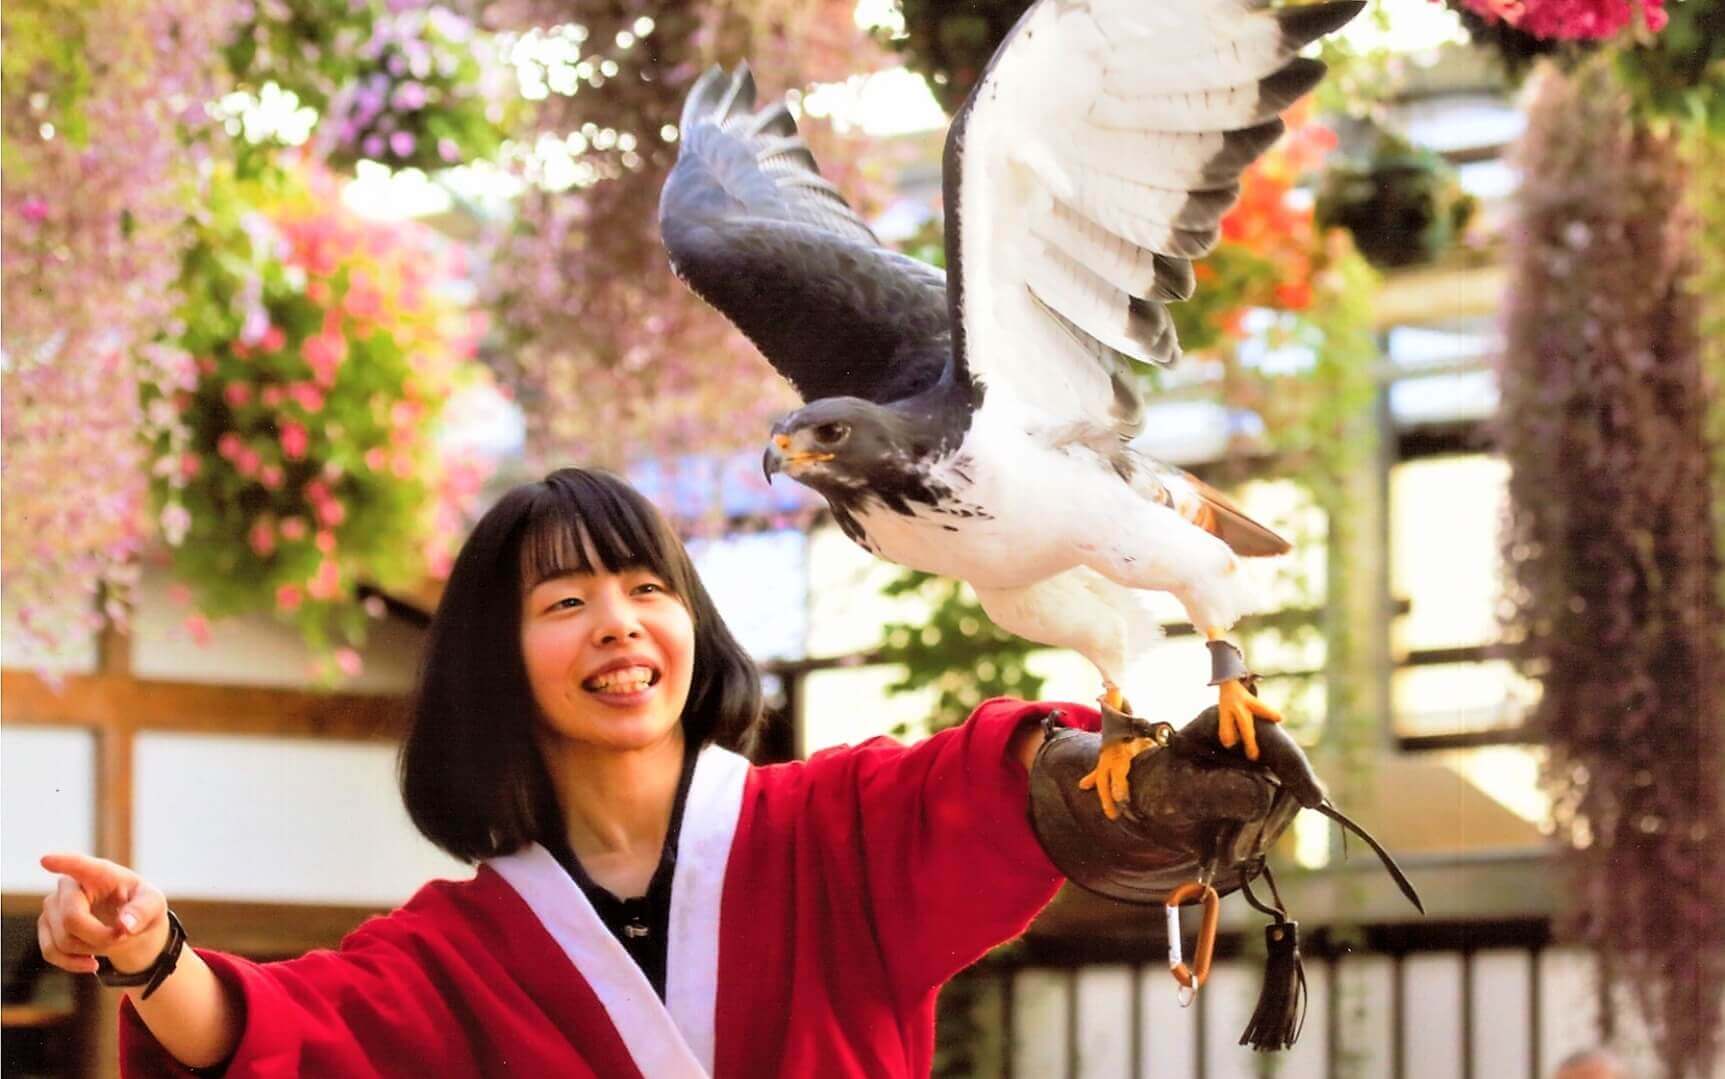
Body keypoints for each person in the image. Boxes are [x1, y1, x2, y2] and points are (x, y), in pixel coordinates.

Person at [37, 466, 1106, 1077]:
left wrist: (1127, 775)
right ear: (496, 665)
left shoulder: (836, 825)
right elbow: (277, 1030)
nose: (619, 625)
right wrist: (145, 949)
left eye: (650, 587)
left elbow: (1001, 782)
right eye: (564, 603)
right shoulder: (456, 951)